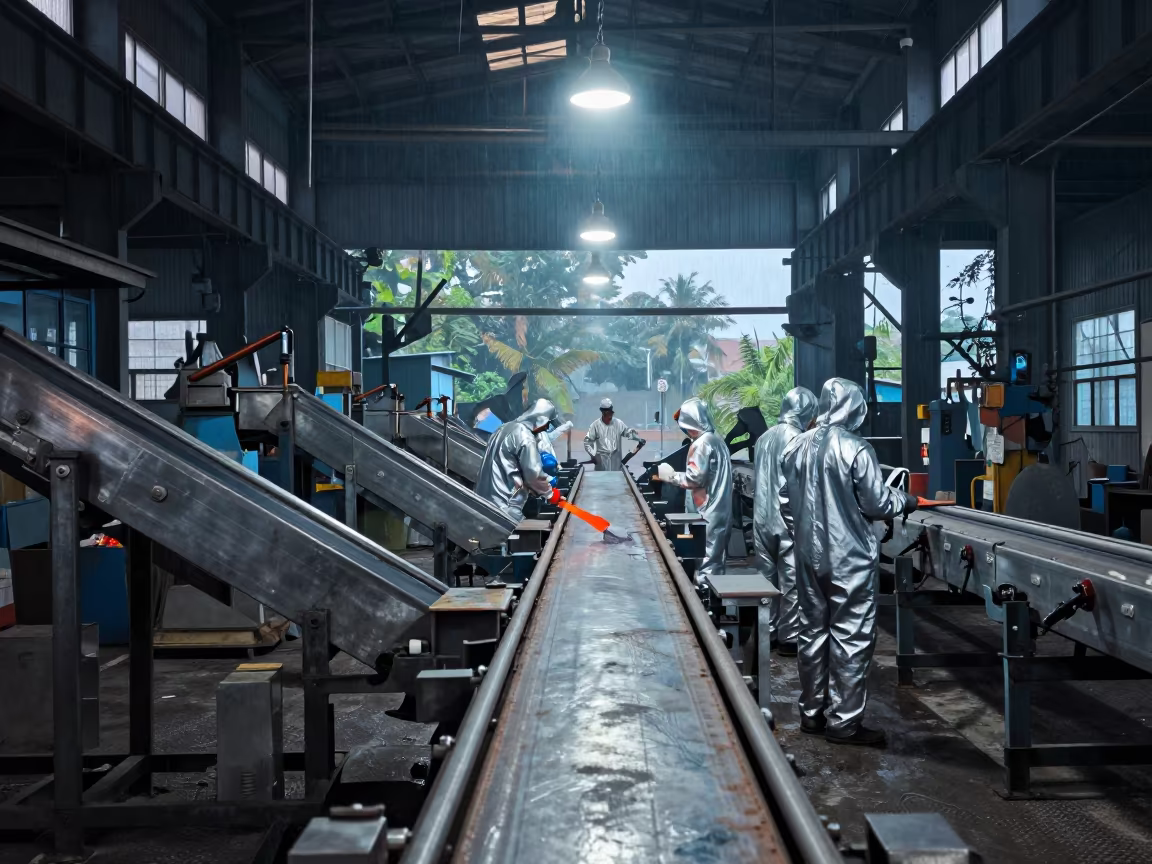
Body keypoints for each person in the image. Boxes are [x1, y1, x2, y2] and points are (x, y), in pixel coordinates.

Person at [779, 378, 917, 747]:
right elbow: (876, 504)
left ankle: (811, 713)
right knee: (851, 637)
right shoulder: (856, 448)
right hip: (849, 559)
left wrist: (806, 536)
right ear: (855, 408)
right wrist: (906, 501)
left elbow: (784, 503)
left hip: (807, 557)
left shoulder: (795, 446)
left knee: (812, 632)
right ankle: (844, 722)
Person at [753, 386, 818, 657]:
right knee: (790, 579)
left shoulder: (763, 438)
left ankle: (765, 632)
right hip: (786, 520)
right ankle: (789, 637)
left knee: (765, 580)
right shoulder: (801, 440)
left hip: (761, 518)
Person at [655, 398, 732, 580]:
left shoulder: (702, 444)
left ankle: (705, 603)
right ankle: (713, 600)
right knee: (716, 559)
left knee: (706, 560)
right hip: (719, 510)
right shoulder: (716, 440)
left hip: (707, 513)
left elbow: (694, 478)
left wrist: (671, 476)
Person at [476, 397, 566, 522]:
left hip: (482, 500)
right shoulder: (525, 436)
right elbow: (532, 473)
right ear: (539, 420)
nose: (546, 428)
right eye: (547, 423)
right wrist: (550, 494)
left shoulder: (503, 428)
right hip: (506, 504)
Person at [584, 398, 644, 471]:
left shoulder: (618, 423)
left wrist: (635, 436)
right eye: (605, 412)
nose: (608, 415)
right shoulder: (595, 425)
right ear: (602, 411)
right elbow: (587, 442)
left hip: (616, 461)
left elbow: (627, 432)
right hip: (601, 462)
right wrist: (593, 455)